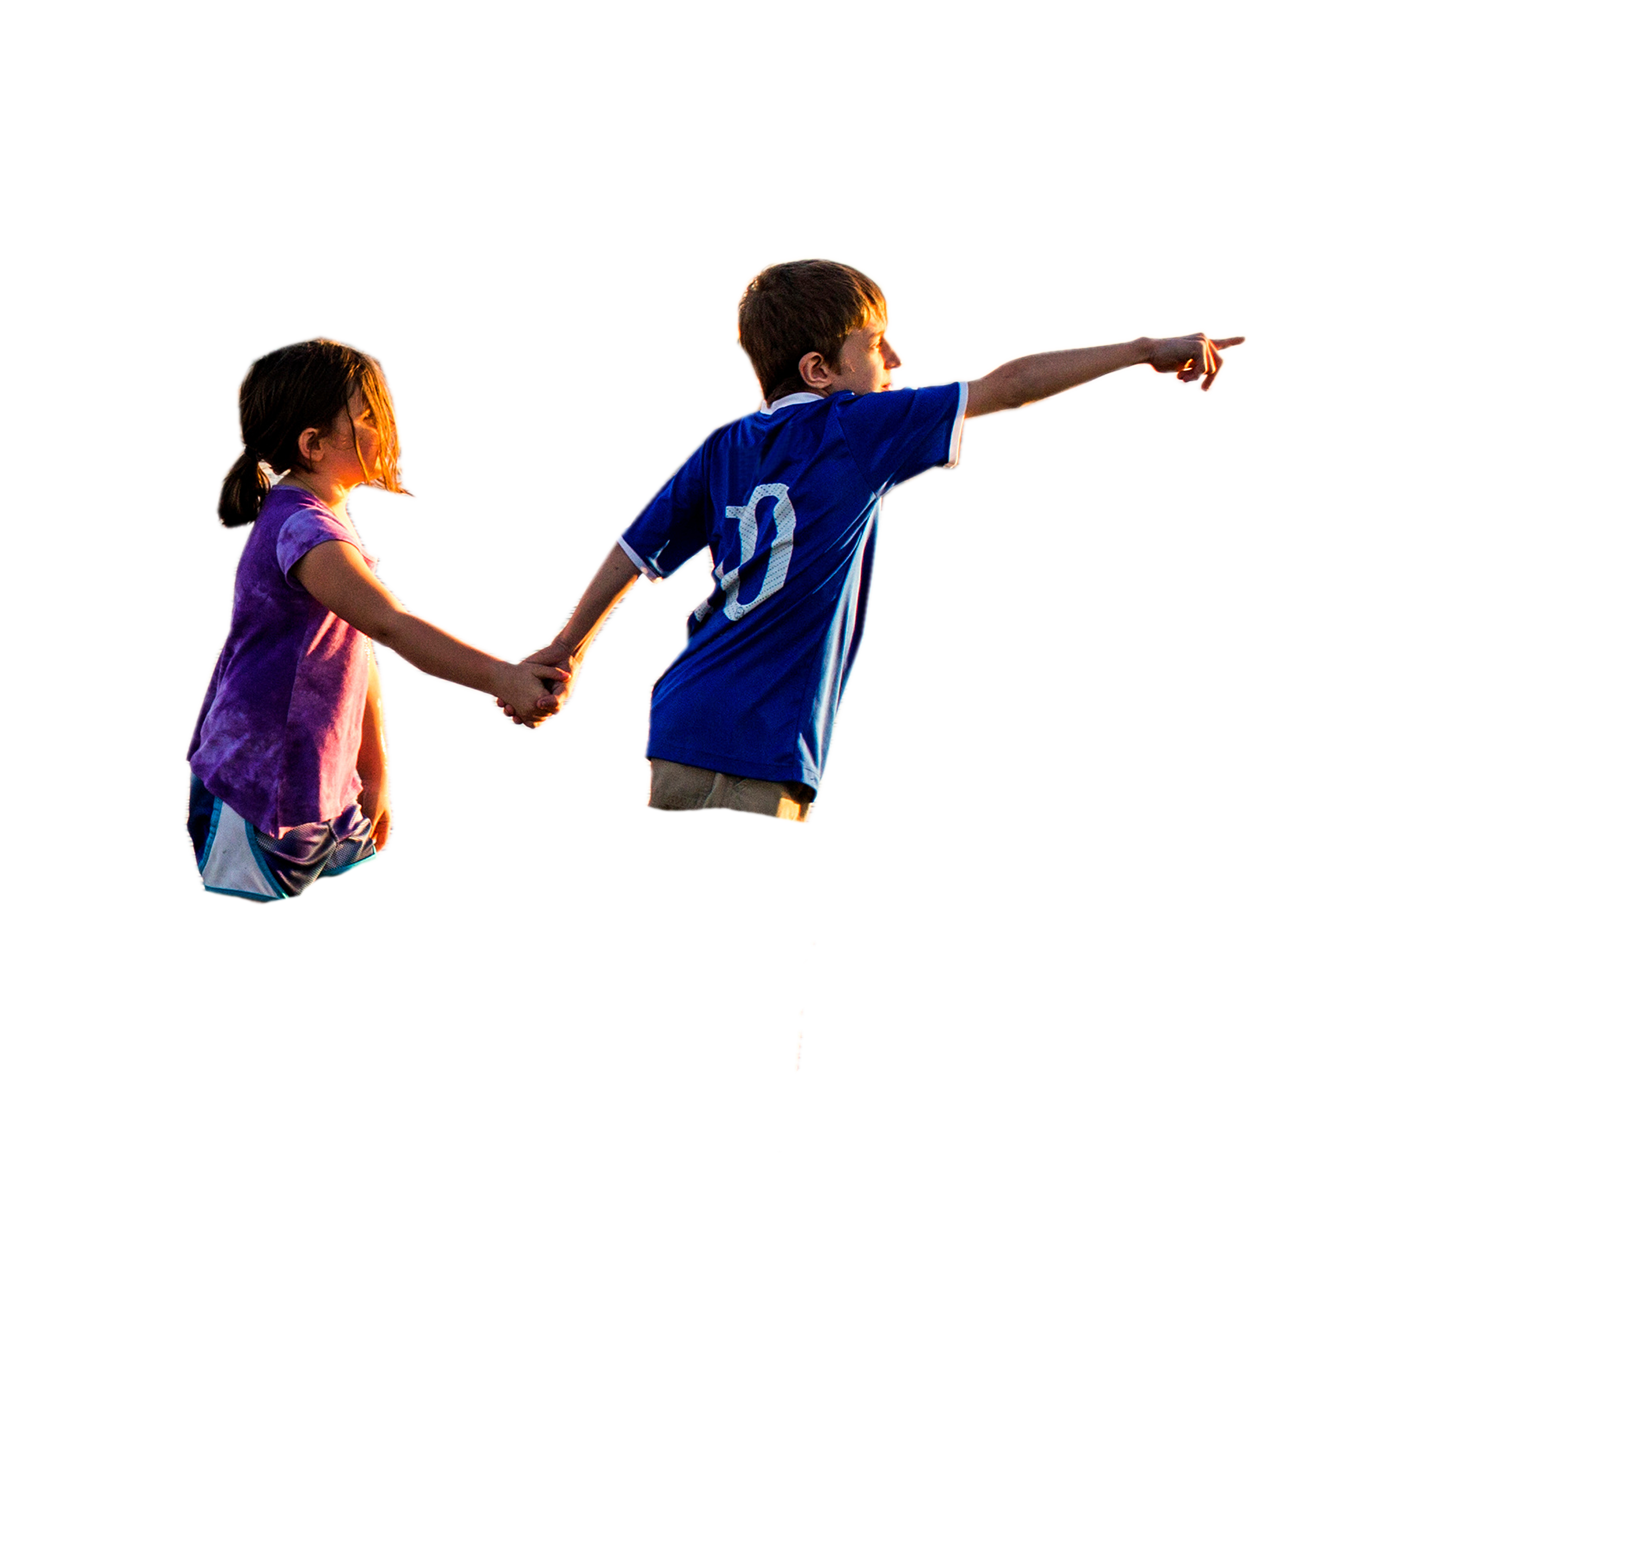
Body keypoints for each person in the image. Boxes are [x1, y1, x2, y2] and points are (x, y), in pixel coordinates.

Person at [522, 260, 1240, 1141]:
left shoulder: (729, 445)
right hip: (745, 747)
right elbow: (1008, 385)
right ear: (823, 372)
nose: (894, 358)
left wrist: (567, 647)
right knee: (716, 965)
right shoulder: (854, 427)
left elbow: (635, 551)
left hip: (700, 726)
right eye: (876, 344)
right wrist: (1141, 348)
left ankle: (774, 1135)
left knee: (789, 926)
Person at [186, 340, 569, 906]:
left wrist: (373, 770)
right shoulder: (303, 530)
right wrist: (503, 678)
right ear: (313, 444)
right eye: (369, 418)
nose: (390, 430)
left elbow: (358, 655)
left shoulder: (324, 516)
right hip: (256, 787)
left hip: (328, 791)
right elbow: (390, 625)